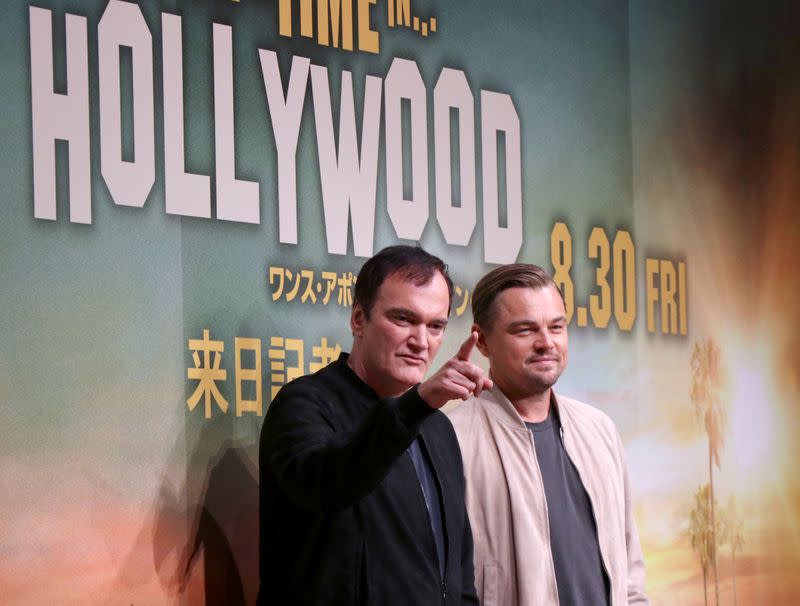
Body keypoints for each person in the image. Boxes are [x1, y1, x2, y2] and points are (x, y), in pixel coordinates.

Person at [258, 245, 491, 605]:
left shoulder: (438, 427)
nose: (421, 342)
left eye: (435, 326)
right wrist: (417, 405)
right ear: (358, 319)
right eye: (403, 319)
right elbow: (329, 483)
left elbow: (457, 566)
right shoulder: (305, 404)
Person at [448, 264, 649, 606]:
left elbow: (630, 572)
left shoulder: (599, 429)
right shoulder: (452, 439)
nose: (546, 343)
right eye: (525, 330)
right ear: (481, 341)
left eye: (556, 327)